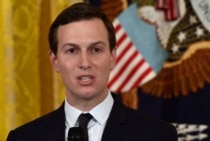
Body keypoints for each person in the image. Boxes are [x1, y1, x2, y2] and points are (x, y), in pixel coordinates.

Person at [6, 2, 178, 141]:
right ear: (54, 61)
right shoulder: (23, 137)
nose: (85, 63)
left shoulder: (158, 135)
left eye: (95, 50)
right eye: (72, 51)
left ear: (112, 56)